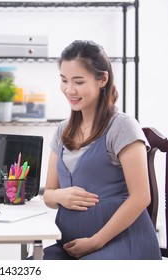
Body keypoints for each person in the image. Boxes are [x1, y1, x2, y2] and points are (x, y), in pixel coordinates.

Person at [42, 40, 161, 260]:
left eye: (78, 81)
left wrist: (96, 241)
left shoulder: (122, 127)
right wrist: (61, 196)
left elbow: (141, 197)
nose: (69, 90)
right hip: (71, 246)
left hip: (123, 243)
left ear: (102, 79)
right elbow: (48, 194)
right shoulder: (62, 131)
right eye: (64, 80)